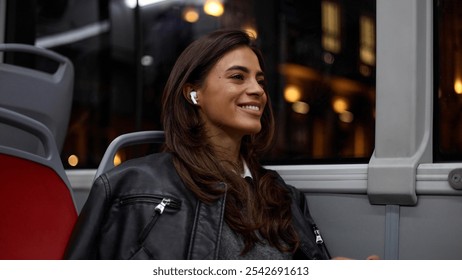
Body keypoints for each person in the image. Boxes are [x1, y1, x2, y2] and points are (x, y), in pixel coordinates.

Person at [64, 29, 333, 260]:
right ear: (193, 93)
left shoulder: (281, 195)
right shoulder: (133, 186)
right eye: (238, 77)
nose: (258, 90)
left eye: (260, 81)